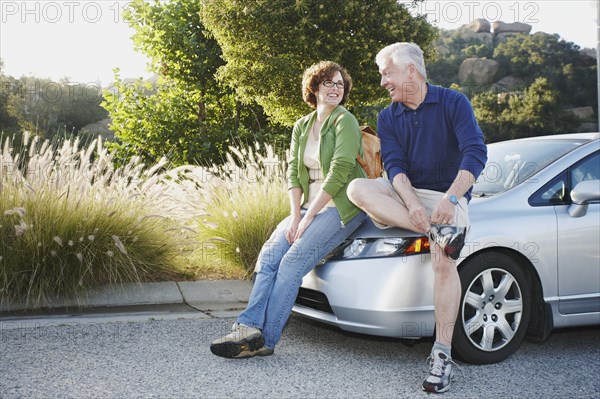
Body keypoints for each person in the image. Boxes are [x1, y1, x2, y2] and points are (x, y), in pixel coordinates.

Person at [347, 42, 487, 393]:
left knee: (443, 263)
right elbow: (394, 166)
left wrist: (452, 198)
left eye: (386, 73)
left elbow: (475, 152)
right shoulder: (387, 116)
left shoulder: (454, 102)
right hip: (407, 194)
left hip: (448, 194)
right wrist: (412, 205)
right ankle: (440, 234)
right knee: (358, 189)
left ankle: (441, 354)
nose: (383, 82)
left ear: (411, 71)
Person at [210, 61, 367, 359]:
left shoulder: (344, 120)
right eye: (328, 83)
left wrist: (308, 218)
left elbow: (341, 169)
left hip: (342, 206)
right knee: (269, 257)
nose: (335, 88)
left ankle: (267, 341)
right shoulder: (302, 126)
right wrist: (296, 216)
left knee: (292, 263)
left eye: (339, 84)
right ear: (314, 88)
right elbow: (294, 173)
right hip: (308, 206)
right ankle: (248, 328)